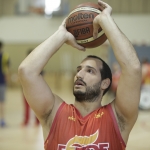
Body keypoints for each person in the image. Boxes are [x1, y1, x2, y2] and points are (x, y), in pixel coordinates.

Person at [18, 0, 142, 149]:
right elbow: (27, 72)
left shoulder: (118, 117)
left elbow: (133, 68)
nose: (79, 75)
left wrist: (106, 22)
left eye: (90, 71)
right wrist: (60, 35)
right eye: (79, 70)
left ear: (105, 83)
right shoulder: (54, 113)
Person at [21, 49, 41, 126]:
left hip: (34, 89)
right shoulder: (25, 65)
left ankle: (37, 121)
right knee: (28, 106)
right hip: (27, 88)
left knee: (36, 106)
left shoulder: (38, 64)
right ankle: (27, 121)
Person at [0, 41, 10, 127]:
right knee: (2, 101)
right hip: (2, 81)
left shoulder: (5, 56)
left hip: (2, 81)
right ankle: (2, 119)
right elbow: (6, 69)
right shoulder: (5, 56)